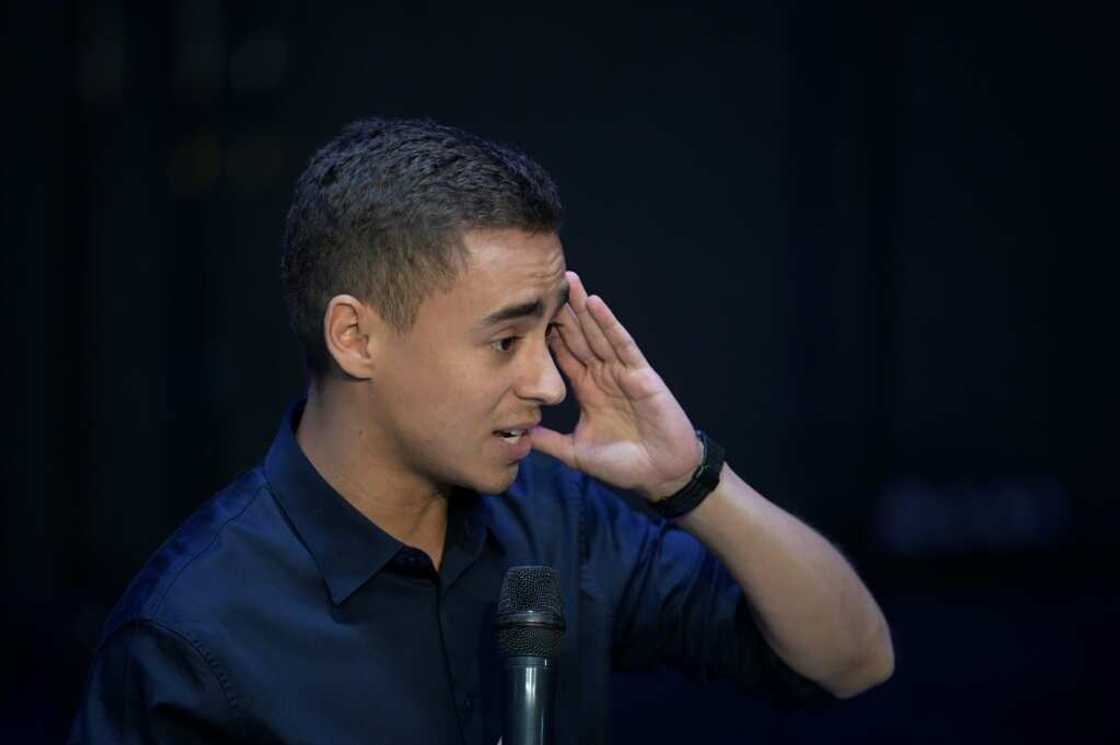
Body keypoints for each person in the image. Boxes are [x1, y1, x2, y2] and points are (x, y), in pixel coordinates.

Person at [69, 118, 893, 744]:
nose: (548, 381)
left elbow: (855, 658)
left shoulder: (558, 518)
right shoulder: (188, 643)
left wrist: (693, 481)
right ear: (356, 337)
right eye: (506, 340)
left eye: (548, 334)